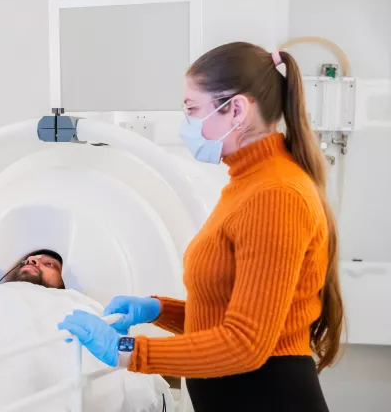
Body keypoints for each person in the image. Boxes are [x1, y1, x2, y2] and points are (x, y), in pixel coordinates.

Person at [58, 42, 344, 412]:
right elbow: (231, 310)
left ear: (236, 109)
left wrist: (126, 351)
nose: (185, 123)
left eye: (192, 109)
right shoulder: (247, 183)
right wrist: (160, 310)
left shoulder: (276, 194)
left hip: (267, 395)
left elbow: (245, 343)